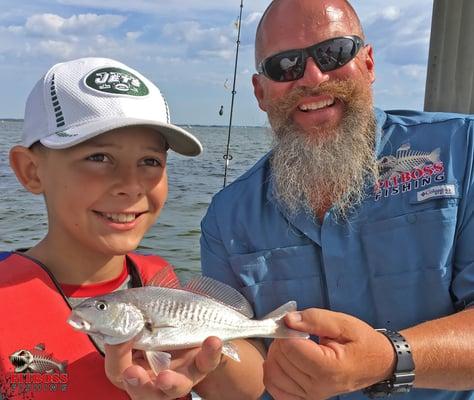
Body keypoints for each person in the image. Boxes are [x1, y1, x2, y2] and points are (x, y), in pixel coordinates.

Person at [200, 0, 474, 399]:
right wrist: (200, 359)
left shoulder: (461, 150)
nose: (312, 77)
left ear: (368, 63)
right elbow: (238, 355)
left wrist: (387, 358)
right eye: (284, 66)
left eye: (334, 53)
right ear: (261, 92)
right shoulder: (226, 216)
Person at [0, 57, 265, 400]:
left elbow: (248, 390)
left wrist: (205, 353)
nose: (131, 185)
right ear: (31, 171)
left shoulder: (158, 278)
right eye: (98, 157)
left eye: (150, 161)